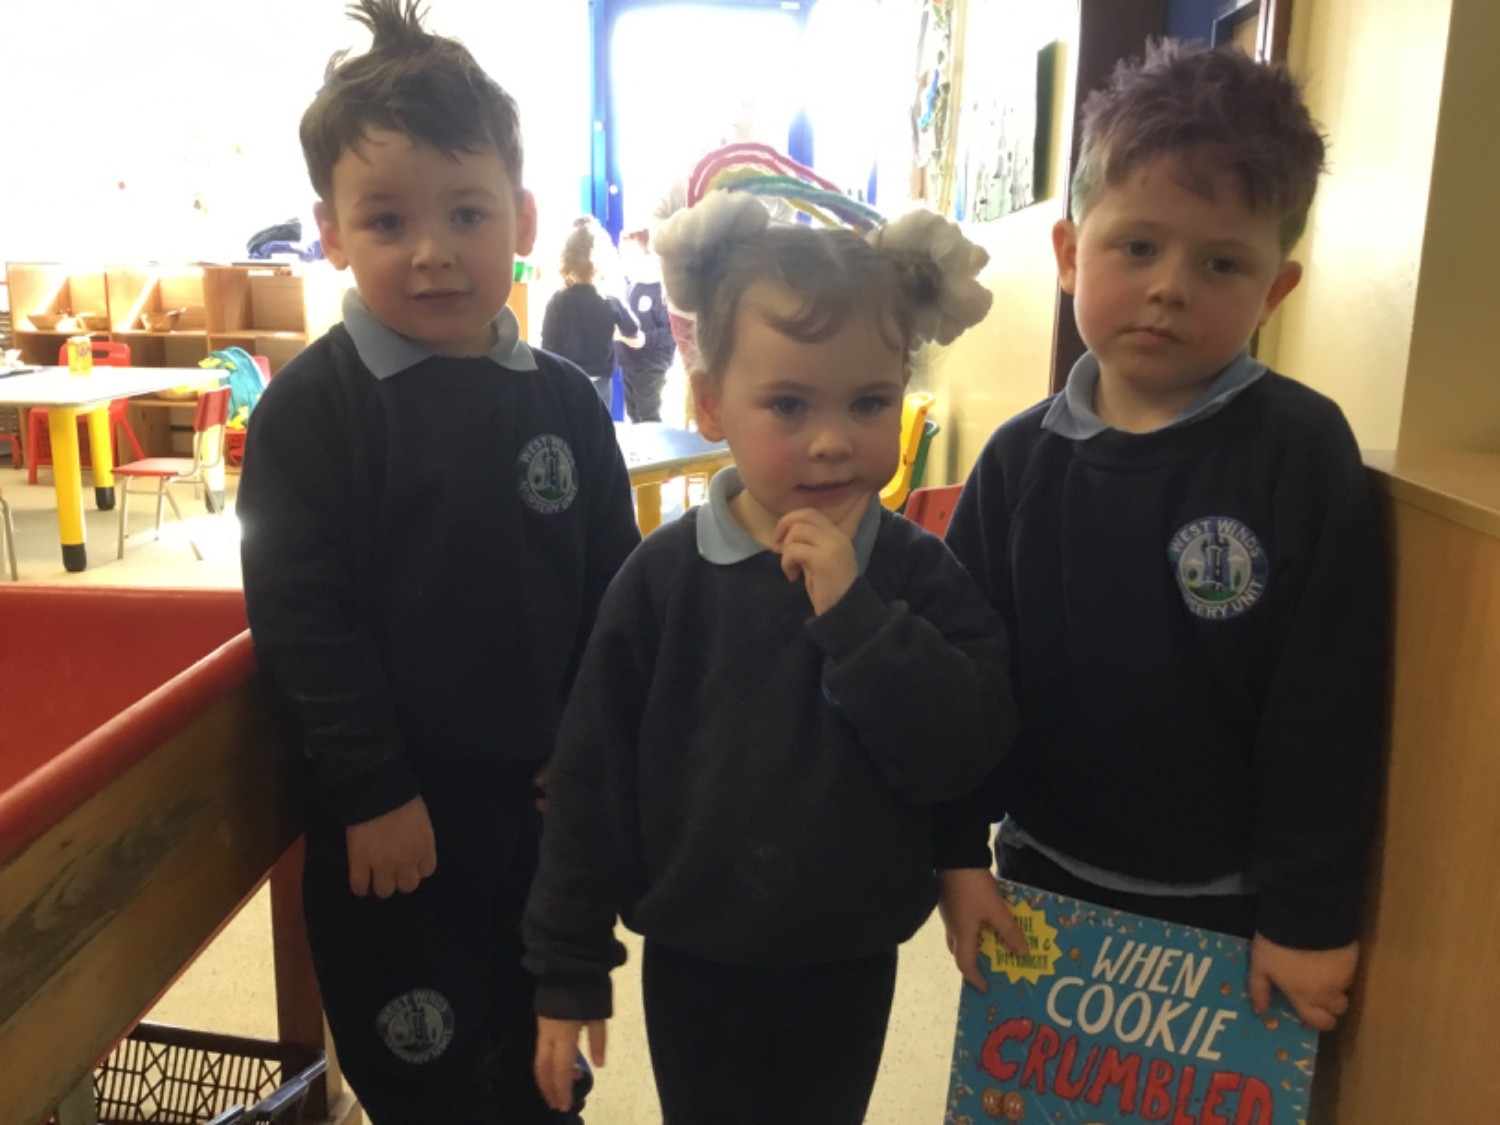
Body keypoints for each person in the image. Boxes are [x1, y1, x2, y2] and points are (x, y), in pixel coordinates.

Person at [522, 190, 1025, 1125]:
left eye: (868, 401)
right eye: (788, 404)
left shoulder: (918, 572)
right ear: (712, 403)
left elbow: (965, 743)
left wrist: (860, 619)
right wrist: (568, 962)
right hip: (696, 953)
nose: (833, 439)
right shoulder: (660, 582)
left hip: (851, 950)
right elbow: (592, 780)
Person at [236, 2, 640, 1121]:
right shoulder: (317, 411)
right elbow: (302, 618)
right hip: (395, 826)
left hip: (547, 813)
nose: (432, 251)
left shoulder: (563, 398)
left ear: (519, 214)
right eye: (387, 219)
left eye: (466, 213)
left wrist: (594, 751)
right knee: (426, 1069)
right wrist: (373, 788)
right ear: (331, 230)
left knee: (547, 1055)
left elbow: (617, 590)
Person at [937, 41, 1387, 1036]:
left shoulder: (1301, 452)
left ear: (1275, 290)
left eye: (1221, 261)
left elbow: (1330, 709)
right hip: (1041, 876)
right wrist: (956, 851)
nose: (1171, 286)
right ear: (1069, 255)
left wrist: (1310, 916)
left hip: (1230, 910)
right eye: (1137, 246)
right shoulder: (1016, 465)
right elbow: (964, 683)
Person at [541, 217, 641, 409]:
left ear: (566, 259)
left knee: (571, 430)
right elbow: (633, 330)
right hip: (600, 378)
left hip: (568, 378)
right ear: (603, 260)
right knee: (600, 429)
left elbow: (547, 347)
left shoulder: (557, 300)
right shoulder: (609, 298)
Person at [612, 228, 675, 423]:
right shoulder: (632, 287)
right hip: (630, 361)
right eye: (624, 257)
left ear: (650, 257)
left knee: (648, 414)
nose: (627, 263)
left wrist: (646, 339)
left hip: (651, 365)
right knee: (633, 412)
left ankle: (655, 452)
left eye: (632, 256)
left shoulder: (661, 291)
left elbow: (671, 332)